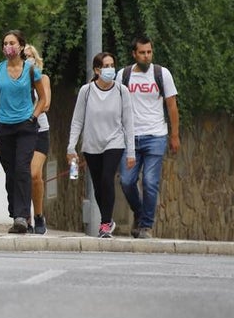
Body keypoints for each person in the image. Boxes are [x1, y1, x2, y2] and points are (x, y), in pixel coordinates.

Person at [0, 30, 49, 234]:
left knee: (23, 169)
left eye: (12, 43)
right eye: (5, 43)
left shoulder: (31, 71)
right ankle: (15, 213)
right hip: (4, 126)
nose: (8, 47)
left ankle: (22, 216)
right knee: (11, 172)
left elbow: (42, 98)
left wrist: (34, 116)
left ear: (21, 46)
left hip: (26, 126)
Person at [67, 52, 136, 238]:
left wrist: (131, 152)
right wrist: (71, 147)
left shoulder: (122, 91)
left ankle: (105, 223)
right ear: (97, 70)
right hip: (91, 144)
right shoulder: (86, 91)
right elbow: (77, 121)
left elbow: (128, 123)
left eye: (112, 65)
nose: (110, 69)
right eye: (106, 66)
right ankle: (108, 220)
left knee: (107, 179)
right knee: (98, 186)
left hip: (114, 142)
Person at [118, 35, 179, 239]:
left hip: (156, 136)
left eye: (149, 52)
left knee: (150, 182)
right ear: (134, 54)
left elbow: (171, 106)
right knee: (126, 181)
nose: (146, 56)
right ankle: (139, 211)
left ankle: (145, 226)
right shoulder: (123, 75)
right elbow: (116, 105)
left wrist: (175, 135)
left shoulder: (162, 74)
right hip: (130, 138)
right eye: (142, 53)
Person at [25, 43, 51, 234]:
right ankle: (23, 216)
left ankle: (39, 215)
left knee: (34, 174)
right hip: (19, 131)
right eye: (24, 56)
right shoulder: (11, 79)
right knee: (21, 175)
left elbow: (46, 104)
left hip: (39, 129)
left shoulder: (42, 79)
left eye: (30, 56)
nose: (27, 60)